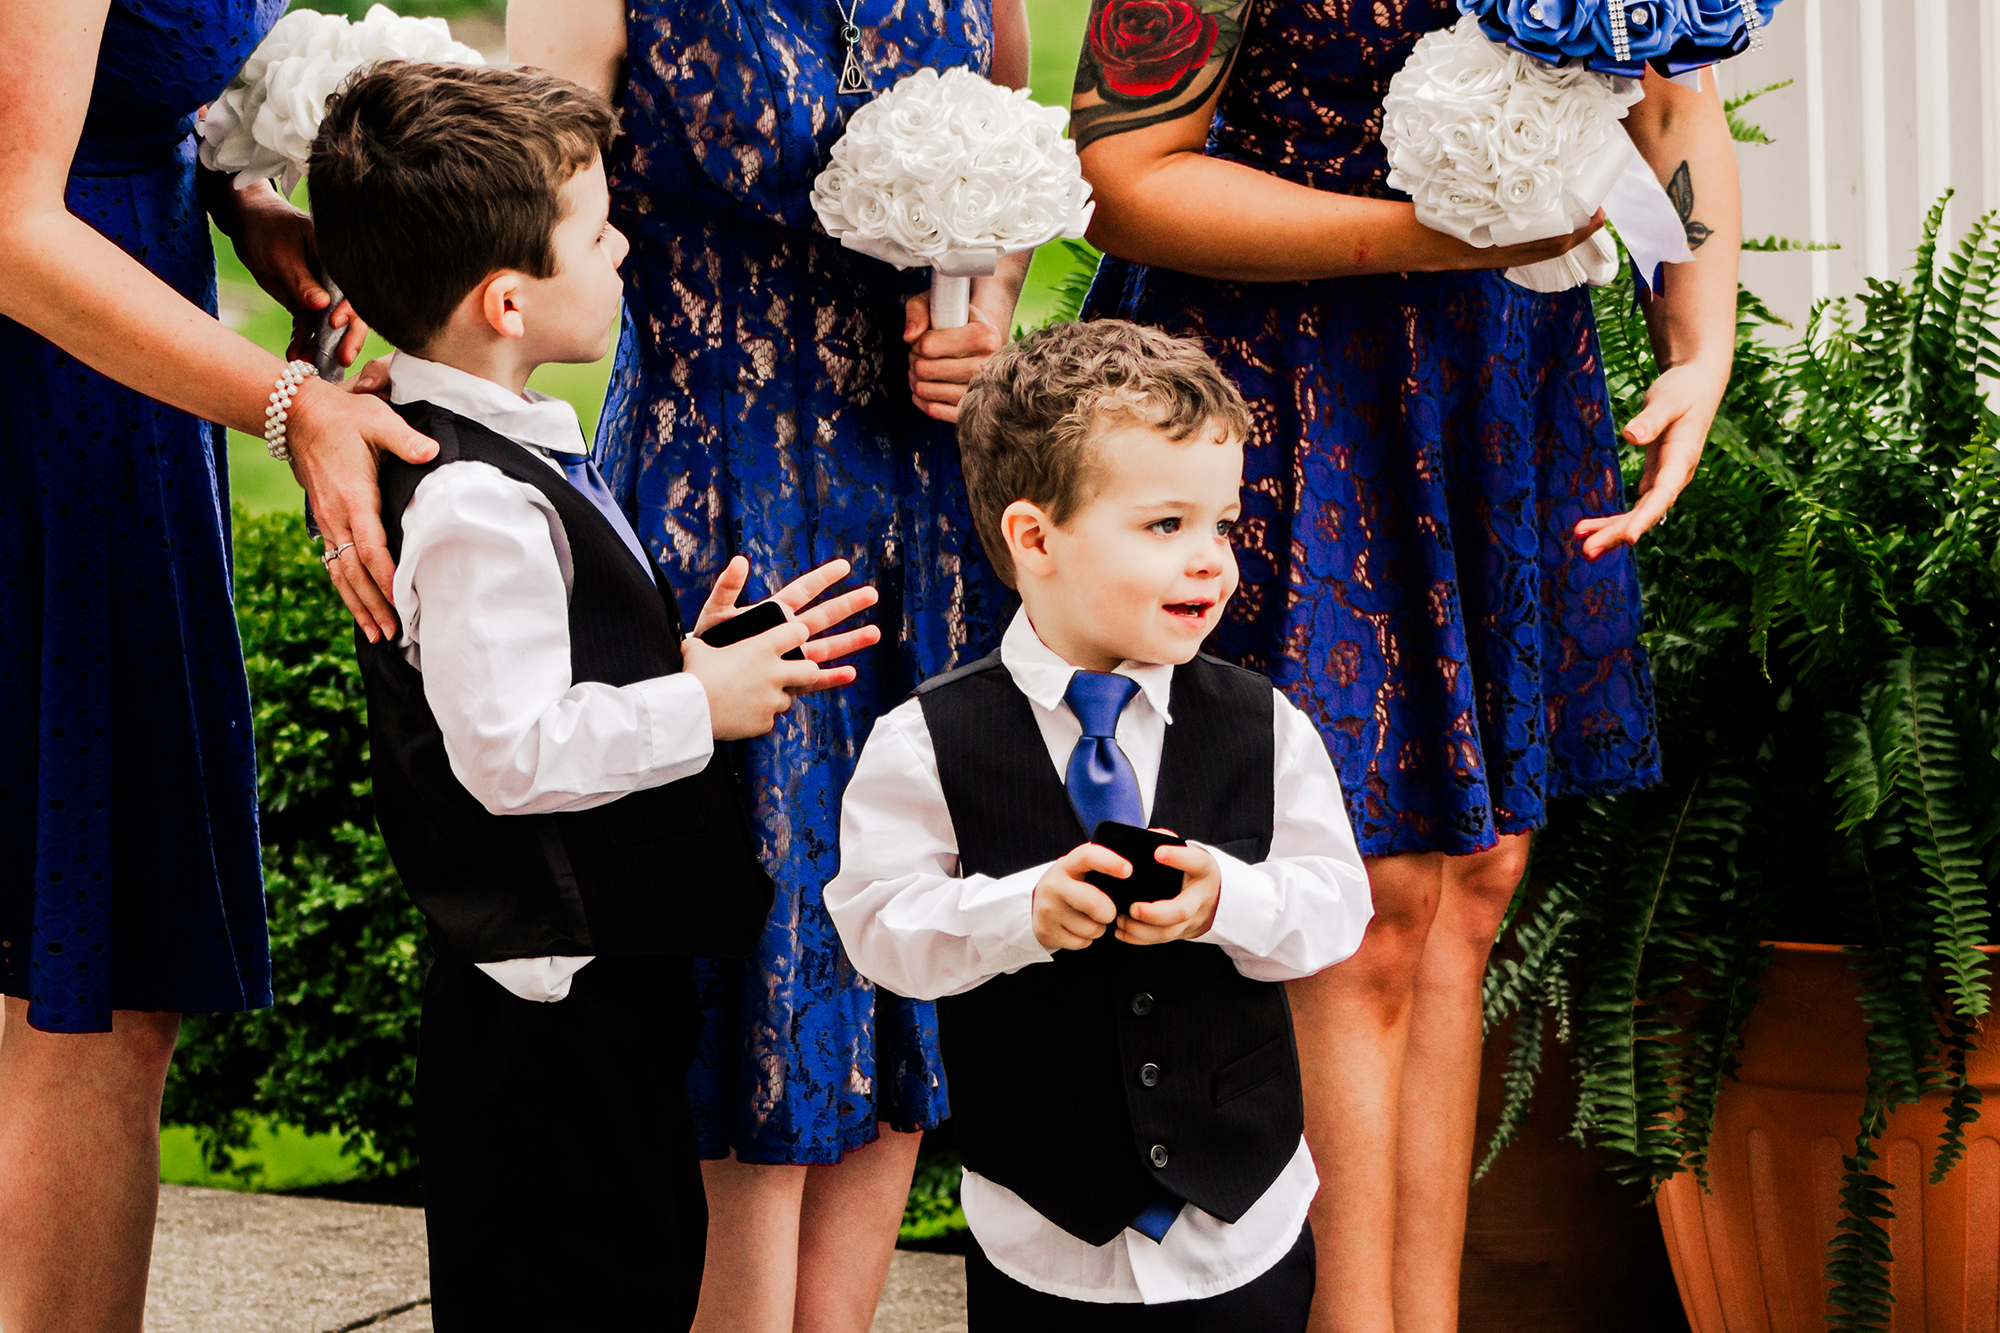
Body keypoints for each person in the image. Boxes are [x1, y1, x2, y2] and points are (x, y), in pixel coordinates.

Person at [1071, 2, 1742, 1329]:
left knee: (1473, 882)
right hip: (1284, 375)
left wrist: (1698, 344)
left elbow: (1669, 99)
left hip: (1497, 381)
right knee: (1355, 893)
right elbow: (1122, 174)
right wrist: (1424, 237)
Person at [307, 61, 882, 1330]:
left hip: (592, 985)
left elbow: (543, 669)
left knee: (639, 1265)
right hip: (547, 1011)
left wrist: (693, 651)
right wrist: (697, 701)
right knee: (574, 1285)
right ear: (508, 297)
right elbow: (508, 753)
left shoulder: (509, 443)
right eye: (595, 226)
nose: (623, 240)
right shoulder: (472, 501)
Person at [505, 3, 1031, 1327]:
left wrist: (989, 310)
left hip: (918, 506)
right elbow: (514, 203)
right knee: (752, 942)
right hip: (718, 495)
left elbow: (1003, 138)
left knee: (897, 924)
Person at [0, 2, 437, 1327]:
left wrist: (236, 198)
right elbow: (13, 223)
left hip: (112, 361)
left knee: (84, 982)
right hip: (47, 394)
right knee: (86, 992)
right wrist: (289, 403)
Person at [826, 320, 1375, 1331]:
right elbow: (878, 925)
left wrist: (1230, 899)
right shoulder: (924, 741)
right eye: (1165, 526)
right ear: (1035, 538)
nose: (1210, 561)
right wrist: (1017, 914)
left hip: (1239, 1235)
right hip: (1043, 1244)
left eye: (1220, 524)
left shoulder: (1264, 726)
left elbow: (1335, 908)